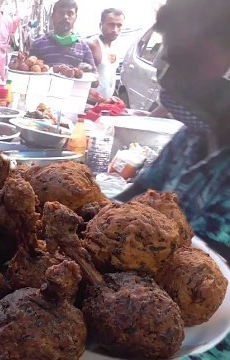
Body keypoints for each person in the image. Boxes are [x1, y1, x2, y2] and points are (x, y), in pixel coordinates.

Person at [115, 1, 230, 357]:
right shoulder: (192, 137)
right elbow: (134, 197)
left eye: (184, 56)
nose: (167, 69)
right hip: (125, 324)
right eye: (169, 51)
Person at [29, 0, 96, 69]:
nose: (65, 17)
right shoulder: (38, 45)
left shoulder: (83, 48)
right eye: (61, 13)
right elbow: (27, 72)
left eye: (70, 13)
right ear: (52, 16)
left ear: (76, 17)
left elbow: (94, 76)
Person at [88, 8, 124, 99]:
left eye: (119, 25)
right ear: (101, 25)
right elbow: (81, 79)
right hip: (89, 104)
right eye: (111, 25)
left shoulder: (115, 47)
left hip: (105, 104)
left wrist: (111, 97)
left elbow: (108, 78)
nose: (115, 30)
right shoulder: (93, 46)